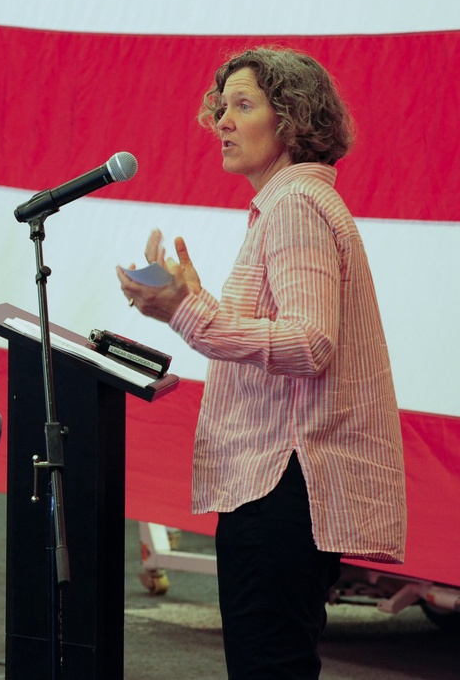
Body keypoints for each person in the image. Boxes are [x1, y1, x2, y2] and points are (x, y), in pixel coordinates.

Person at [116, 47, 406, 679]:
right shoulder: (291, 206)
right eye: (222, 107)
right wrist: (188, 301)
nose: (222, 120)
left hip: (281, 485)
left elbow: (309, 343)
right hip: (284, 486)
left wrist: (185, 313)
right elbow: (284, 336)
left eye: (243, 106)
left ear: (293, 121)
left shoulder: (295, 208)